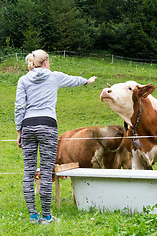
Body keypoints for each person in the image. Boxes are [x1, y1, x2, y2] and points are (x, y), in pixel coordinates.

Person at [14, 49, 96, 224]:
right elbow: (73, 80)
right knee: (45, 172)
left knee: (28, 173)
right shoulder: (54, 76)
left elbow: (19, 106)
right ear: (46, 62)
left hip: (28, 125)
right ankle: (46, 216)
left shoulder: (23, 80)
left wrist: (19, 131)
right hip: (48, 126)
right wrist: (87, 81)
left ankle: (33, 217)